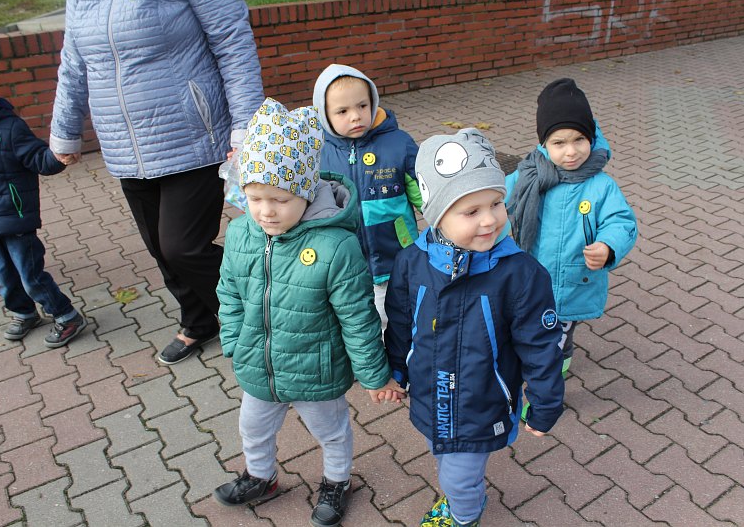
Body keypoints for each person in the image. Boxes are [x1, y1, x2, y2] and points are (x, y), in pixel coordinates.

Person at [213, 98, 403, 527]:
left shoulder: (336, 245)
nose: (266, 211)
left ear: (306, 191)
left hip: (316, 370)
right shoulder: (241, 233)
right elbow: (229, 292)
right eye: (255, 198)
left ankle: (337, 482)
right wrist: (233, 340)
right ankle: (261, 476)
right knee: (252, 428)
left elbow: (358, 318)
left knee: (331, 432)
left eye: (280, 199)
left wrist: (374, 376)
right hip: (259, 365)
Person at [49, 0, 265, 364]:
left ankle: (264, 320)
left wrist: (247, 128)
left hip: (191, 135)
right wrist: (65, 131)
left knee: (183, 247)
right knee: (159, 247)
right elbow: (74, 61)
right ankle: (198, 321)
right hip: (123, 144)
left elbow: (233, 41)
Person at [384, 129, 565, 527]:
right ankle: (458, 496)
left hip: (482, 403)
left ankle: (464, 516)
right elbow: (400, 322)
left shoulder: (520, 274)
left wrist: (545, 402)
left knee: (459, 476)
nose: (489, 220)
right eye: (471, 211)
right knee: (442, 453)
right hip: (429, 395)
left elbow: (541, 345)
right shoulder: (413, 263)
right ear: (438, 215)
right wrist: (395, 370)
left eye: (496, 203)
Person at [506, 78, 638, 381]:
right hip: (531, 279)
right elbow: (496, 199)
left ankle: (550, 384)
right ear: (543, 144)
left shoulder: (601, 185)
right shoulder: (528, 176)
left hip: (573, 283)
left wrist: (608, 246)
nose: (571, 151)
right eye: (559, 143)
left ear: (591, 137)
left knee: (557, 342)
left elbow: (621, 222)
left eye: (579, 139)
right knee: (528, 330)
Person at [0, 55, 86, 347]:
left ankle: (66, 316)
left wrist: (59, 157)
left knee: (31, 275)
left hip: (14, 219)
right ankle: (24, 313)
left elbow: (38, 158)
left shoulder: (10, 128)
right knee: (1, 277)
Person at [312, 64, 422, 331]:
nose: (355, 116)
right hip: (345, 263)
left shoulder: (399, 144)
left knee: (398, 319)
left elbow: (425, 194)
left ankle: (400, 353)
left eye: (362, 105)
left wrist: (448, 220)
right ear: (324, 114)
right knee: (354, 323)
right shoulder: (317, 152)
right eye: (342, 111)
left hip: (395, 256)